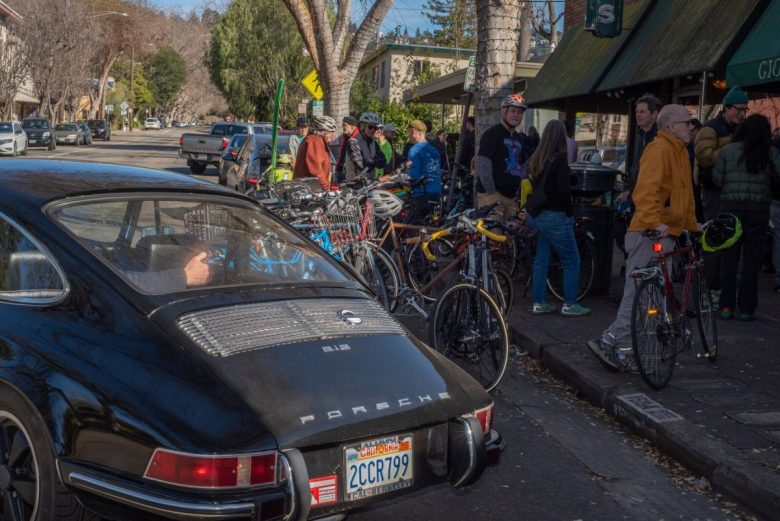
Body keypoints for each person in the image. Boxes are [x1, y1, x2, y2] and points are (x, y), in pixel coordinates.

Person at [588, 104, 700, 371]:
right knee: (639, 294)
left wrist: (692, 226)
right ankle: (614, 343)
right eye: (688, 122)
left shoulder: (681, 152)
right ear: (671, 126)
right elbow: (645, 192)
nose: (691, 127)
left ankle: (622, 346)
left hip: (666, 231)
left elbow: (686, 195)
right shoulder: (660, 150)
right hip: (649, 233)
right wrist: (655, 222)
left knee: (652, 297)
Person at [712, 114, 780, 320]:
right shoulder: (771, 153)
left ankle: (726, 306)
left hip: (730, 209)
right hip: (758, 211)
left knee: (730, 258)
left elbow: (717, 179)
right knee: (752, 261)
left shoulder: (727, 151)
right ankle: (747, 309)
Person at [525, 120, 590, 317]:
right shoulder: (560, 159)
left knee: (541, 259)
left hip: (536, 215)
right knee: (572, 259)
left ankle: (539, 302)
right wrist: (570, 215)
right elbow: (563, 193)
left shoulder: (537, 158)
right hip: (554, 216)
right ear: (561, 136)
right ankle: (570, 304)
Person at [695, 85, 749, 299]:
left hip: (732, 192)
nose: (742, 113)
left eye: (745, 110)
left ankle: (722, 286)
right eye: (738, 109)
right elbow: (704, 157)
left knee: (732, 240)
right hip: (714, 191)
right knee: (714, 239)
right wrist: (733, 144)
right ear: (726, 107)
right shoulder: (710, 128)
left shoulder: (740, 129)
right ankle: (709, 286)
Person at [475, 93, 535, 222]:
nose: (516, 115)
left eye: (520, 112)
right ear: (503, 111)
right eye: (513, 111)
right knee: (493, 238)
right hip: (492, 195)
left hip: (511, 197)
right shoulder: (492, 134)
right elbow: (483, 163)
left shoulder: (519, 138)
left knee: (510, 240)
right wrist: (491, 192)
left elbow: (523, 166)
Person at [406, 119, 441, 214]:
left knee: (416, 226)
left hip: (422, 194)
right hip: (436, 192)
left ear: (414, 132)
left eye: (409, 132)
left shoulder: (414, 150)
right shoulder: (434, 150)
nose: (408, 136)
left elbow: (414, 176)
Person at [294, 115, 337, 190]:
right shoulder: (314, 141)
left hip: (312, 188)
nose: (333, 135)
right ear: (323, 131)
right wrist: (326, 187)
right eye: (331, 132)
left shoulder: (318, 141)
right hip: (309, 189)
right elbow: (316, 169)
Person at [344, 112, 386, 182]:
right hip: (355, 184)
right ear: (362, 126)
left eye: (375, 128)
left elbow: (383, 161)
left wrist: (373, 161)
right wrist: (375, 161)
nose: (373, 130)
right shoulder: (353, 142)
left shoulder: (373, 143)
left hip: (370, 182)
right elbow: (362, 165)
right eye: (370, 127)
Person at [334, 115, 359, 182]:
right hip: (345, 172)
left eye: (345, 125)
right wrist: (338, 169)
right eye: (342, 125)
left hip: (355, 176)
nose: (343, 127)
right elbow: (342, 153)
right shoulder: (347, 136)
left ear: (353, 126)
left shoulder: (357, 138)